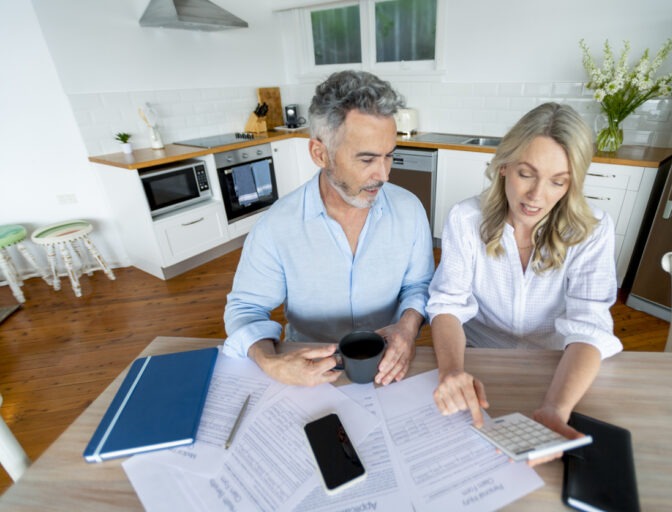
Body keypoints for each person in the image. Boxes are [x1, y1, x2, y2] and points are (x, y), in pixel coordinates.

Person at [427, 102, 622, 465]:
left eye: (557, 181)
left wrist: (555, 408)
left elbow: (589, 327)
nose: (536, 196)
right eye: (526, 174)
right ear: (504, 167)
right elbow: (447, 305)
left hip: (557, 365)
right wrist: (452, 370)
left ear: (572, 184)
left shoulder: (592, 229)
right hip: (479, 361)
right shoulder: (466, 219)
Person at [223, 70, 434, 387]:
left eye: (389, 156)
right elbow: (246, 308)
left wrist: (407, 326)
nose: (384, 175)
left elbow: (419, 285)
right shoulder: (276, 226)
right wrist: (271, 362)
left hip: (389, 368)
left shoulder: (410, 210)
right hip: (307, 373)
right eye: (367, 160)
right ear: (320, 153)